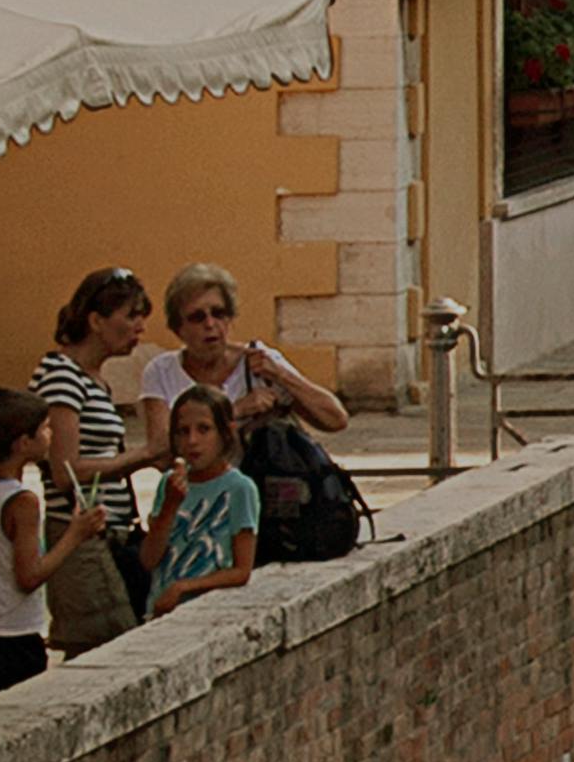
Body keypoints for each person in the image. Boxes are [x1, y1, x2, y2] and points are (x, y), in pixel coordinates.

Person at [35, 266, 155, 651]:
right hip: (82, 535)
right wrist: (143, 456)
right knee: (103, 642)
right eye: (130, 316)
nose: (139, 327)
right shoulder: (62, 376)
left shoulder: (93, 380)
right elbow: (65, 470)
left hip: (110, 532)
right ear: (96, 321)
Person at [0, 387, 102, 698]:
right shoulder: (22, 501)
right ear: (23, 443)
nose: (50, 433)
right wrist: (75, 535)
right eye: (44, 428)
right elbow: (28, 576)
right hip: (14, 635)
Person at [135, 262, 347, 434]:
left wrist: (281, 376)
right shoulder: (162, 371)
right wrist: (235, 410)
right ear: (178, 328)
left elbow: (335, 420)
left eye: (218, 313)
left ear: (230, 319)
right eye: (197, 317)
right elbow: (160, 450)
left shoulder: (260, 362)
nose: (210, 324)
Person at [141, 390, 258, 620]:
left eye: (204, 429)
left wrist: (183, 587)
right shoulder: (170, 483)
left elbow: (241, 571)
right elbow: (149, 559)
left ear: (226, 433)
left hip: (208, 614)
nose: (192, 441)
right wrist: (169, 507)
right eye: (183, 432)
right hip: (162, 612)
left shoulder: (239, 488)